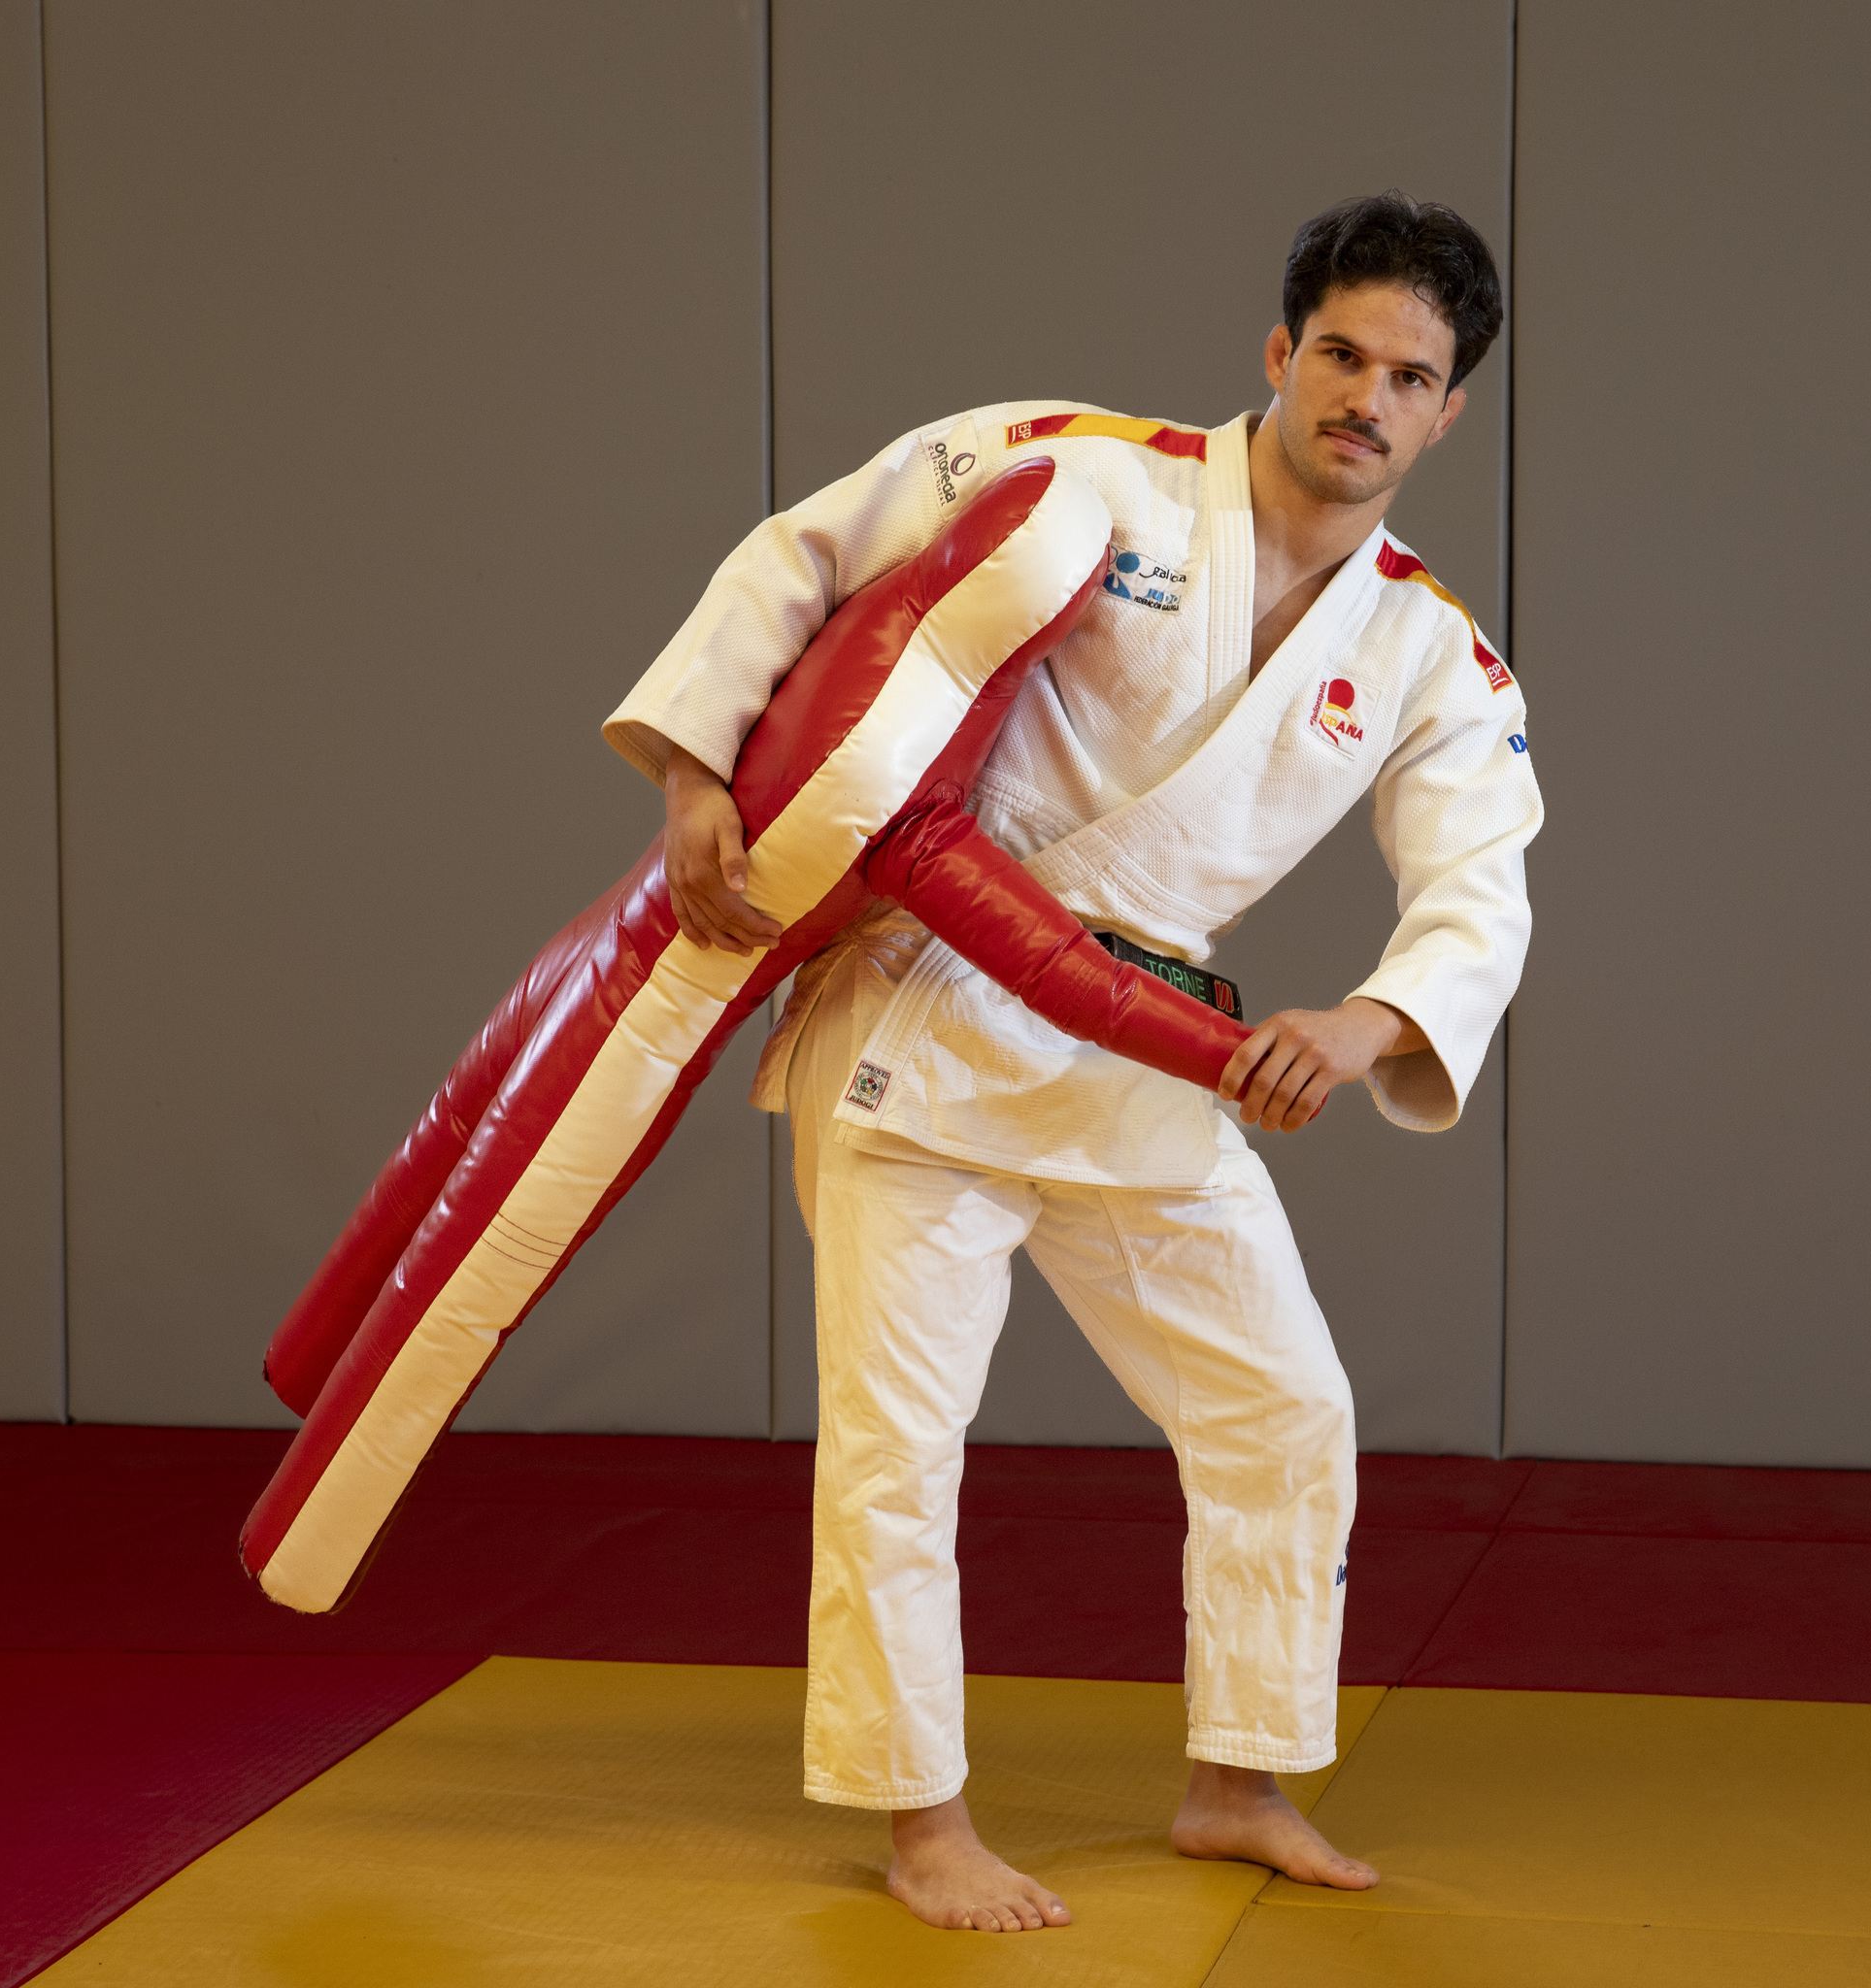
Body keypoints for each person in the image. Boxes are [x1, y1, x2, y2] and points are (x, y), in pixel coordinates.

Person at [600, 190, 1540, 1933]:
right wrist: (695, 770)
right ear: (1281, 352)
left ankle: (1239, 1780)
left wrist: (1367, 1023)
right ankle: (925, 1824)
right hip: (930, 1012)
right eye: (1341, 355)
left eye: (1409, 377)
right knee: (900, 1445)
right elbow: (811, 546)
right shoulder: (1086, 472)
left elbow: (1482, 877)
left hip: (1147, 1047)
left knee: (1283, 1409)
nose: (1367, 398)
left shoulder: (1429, 649)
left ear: (1447, 411)